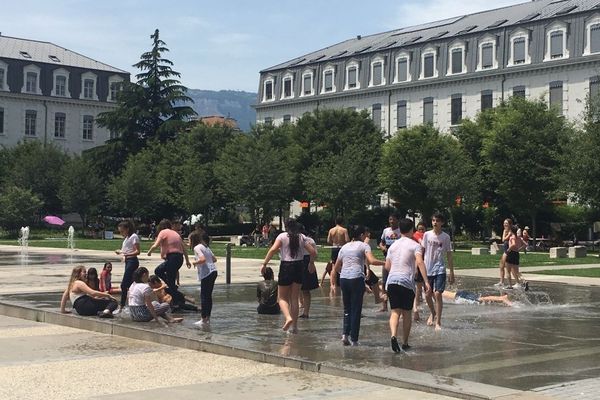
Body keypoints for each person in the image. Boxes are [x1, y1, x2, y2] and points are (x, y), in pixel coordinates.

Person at [261, 218, 316, 333]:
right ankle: (294, 327)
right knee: (294, 298)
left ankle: (288, 317)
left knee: (281, 298)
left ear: (286, 226)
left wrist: (264, 264)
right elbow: (313, 252)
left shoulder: (282, 237)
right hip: (299, 266)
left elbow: (273, 250)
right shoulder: (301, 237)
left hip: (286, 266)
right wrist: (311, 263)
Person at [333, 225, 385, 346]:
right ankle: (354, 339)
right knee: (356, 309)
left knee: (347, 308)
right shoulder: (363, 246)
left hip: (344, 279)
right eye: (366, 235)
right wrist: (386, 262)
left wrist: (346, 274)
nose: (367, 237)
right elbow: (372, 261)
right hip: (356, 278)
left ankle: (345, 334)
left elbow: (336, 267)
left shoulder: (344, 247)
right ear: (361, 235)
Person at [385, 218, 431, 352]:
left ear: (400, 229)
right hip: (406, 282)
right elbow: (420, 262)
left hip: (392, 281)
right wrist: (426, 281)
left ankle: (393, 336)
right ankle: (405, 342)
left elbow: (387, 266)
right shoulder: (414, 245)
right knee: (406, 314)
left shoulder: (393, 246)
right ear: (412, 230)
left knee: (394, 312)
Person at [422, 213, 454, 331]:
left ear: (442, 223)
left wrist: (451, 272)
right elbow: (422, 250)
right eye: (433, 220)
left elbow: (449, 254)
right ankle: (433, 313)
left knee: (437, 294)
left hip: (440, 268)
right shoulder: (427, 235)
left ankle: (438, 322)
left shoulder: (445, 237)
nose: (435, 222)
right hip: (427, 268)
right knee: (427, 294)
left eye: (437, 221)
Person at [147, 219, 191, 305]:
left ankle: (177, 299)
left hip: (172, 258)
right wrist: (187, 261)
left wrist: (149, 252)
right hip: (179, 259)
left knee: (158, 271)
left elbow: (156, 245)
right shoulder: (175, 233)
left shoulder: (163, 232)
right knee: (170, 280)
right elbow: (184, 249)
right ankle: (176, 298)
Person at [189, 231, 218, 328]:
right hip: (213, 271)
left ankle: (203, 319)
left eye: (189, 240)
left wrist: (195, 263)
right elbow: (214, 259)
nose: (188, 242)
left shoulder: (197, 247)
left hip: (207, 273)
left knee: (204, 296)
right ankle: (207, 319)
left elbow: (202, 259)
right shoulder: (205, 247)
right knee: (208, 296)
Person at [114, 220, 140, 312]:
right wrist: (122, 253)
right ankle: (134, 304)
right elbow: (125, 251)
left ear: (127, 229)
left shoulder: (134, 237)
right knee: (130, 284)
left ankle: (122, 306)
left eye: (122, 231)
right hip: (128, 261)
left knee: (124, 284)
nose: (121, 233)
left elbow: (137, 251)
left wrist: (126, 255)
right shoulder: (126, 239)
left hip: (132, 261)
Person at [378, 213, 401, 312]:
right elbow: (381, 242)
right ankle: (384, 306)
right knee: (384, 282)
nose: (391, 221)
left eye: (393, 219)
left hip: (398, 261)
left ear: (397, 220)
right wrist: (382, 247)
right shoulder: (386, 231)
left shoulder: (400, 231)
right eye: (390, 219)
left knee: (397, 283)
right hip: (386, 259)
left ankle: (398, 305)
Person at [324, 217, 350, 289]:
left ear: (335, 222)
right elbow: (347, 240)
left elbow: (328, 241)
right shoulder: (344, 230)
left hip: (334, 248)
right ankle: (343, 282)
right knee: (343, 265)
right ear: (342, 222)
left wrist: (334, 242)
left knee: (333, 266)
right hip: (342, 248)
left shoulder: (331, 230)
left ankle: (333, 285)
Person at [300, 230, 319, 318]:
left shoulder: (299, 239)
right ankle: (305, 312)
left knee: (299, 288)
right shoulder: (310, 240)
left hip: (300, 261)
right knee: (305, 289)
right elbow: (315, 253)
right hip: (308, 261)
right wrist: (311, 262)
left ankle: (300, 306)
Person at [412, 221, 426, 321]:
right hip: (418, 262)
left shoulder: (427, 235)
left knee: (421, 287)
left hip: (426, 263)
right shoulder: (416, 236)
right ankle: (415, 307)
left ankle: (418, 304)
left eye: (423, 229)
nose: (421, 230)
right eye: (419, 229)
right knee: (418, 287)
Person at [442, 289, 514, 306]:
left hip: (460, 296)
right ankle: (502, 298)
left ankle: (502, 298)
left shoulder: (434, 292)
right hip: (460, 294)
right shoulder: (436, 290)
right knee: (481, 299)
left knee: (480, 299)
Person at [496, 218, 513, 287]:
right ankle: (501, 281)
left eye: (506, 223)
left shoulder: (511, 231)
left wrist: (507, 234)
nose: (505, 224)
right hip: (505, 251)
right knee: (501, 266)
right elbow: (503, 239)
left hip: (508, 251)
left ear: (510, 224)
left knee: (510, 269)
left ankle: (511, 284)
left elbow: (504, 239)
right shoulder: (504, 230)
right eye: (504, 223)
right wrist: (505, 233)